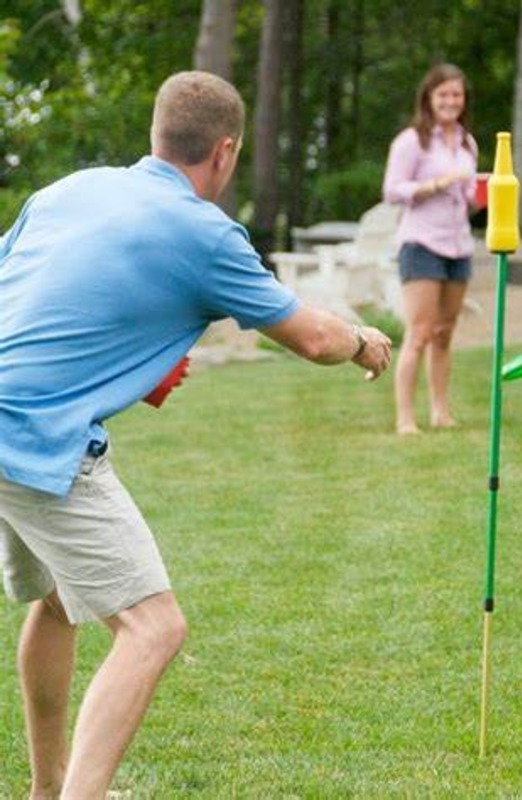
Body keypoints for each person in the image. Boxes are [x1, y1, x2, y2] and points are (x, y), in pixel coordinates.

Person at [0, 71, 391, 799]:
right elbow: (310, 336)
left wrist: (120, 365)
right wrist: (365, 339)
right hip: (35, 436)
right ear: (226, 152)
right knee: (154, 628)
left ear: (156, 134)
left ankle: (46, 789)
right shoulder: (205, 231)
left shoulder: (69, 191)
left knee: (56, 599)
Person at [382, 63, 479, 435]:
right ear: (429, 98)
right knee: (419, 332)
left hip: (458, 245)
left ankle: (441, 411)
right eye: (443, 95)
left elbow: (467, 196)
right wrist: (438, 183)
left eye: (457, 94)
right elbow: (392, 191)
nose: (451, 101)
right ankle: (406, 418)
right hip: (421, 242)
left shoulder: (468, 143)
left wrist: (481, 196)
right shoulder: (412, 141)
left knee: (444, 333)